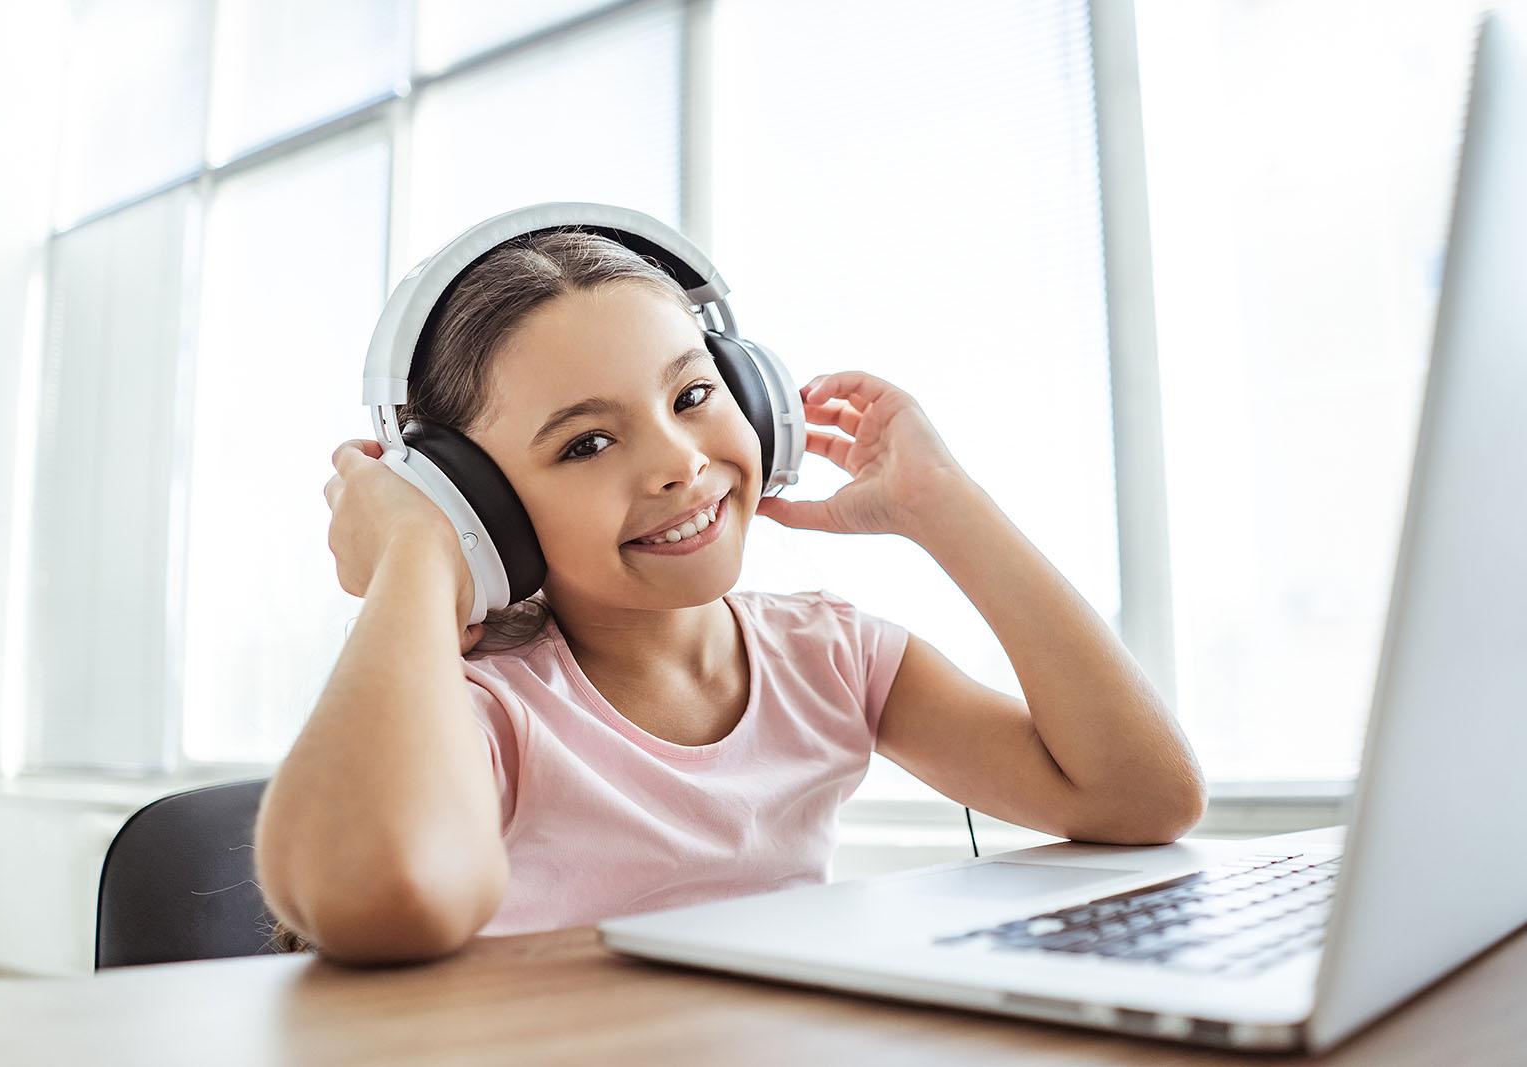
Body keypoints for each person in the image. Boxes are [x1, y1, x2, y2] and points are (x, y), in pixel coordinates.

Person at [255, 229, 1207, 964]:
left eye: (693, 396)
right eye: (587, 442)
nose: (679, 462)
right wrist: (418, 556)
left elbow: (1142, 795)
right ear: (482, 504)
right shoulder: (497, 712)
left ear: (755, 400)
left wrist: (943, 504)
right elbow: (370, 892)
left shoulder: (829, 657)